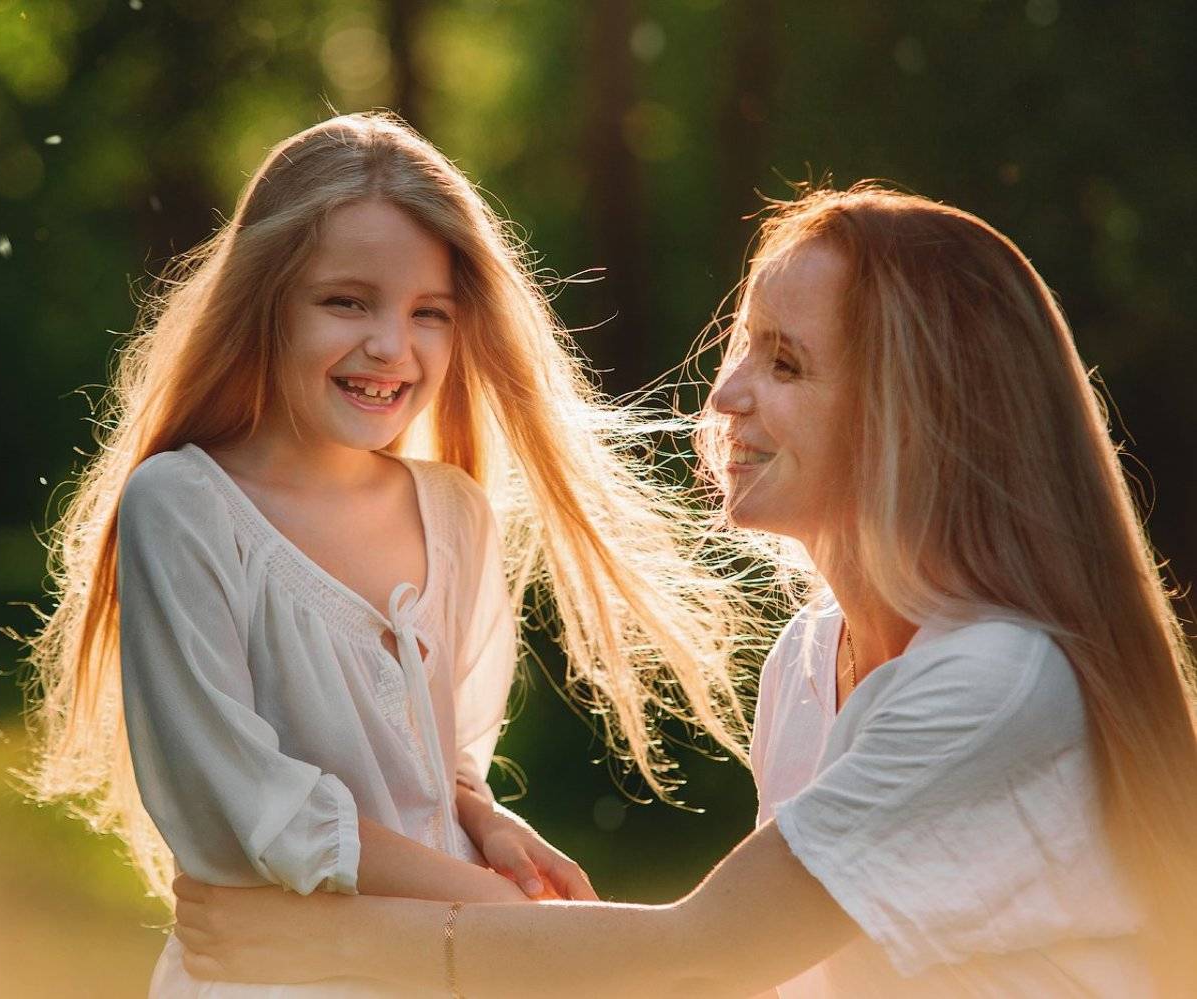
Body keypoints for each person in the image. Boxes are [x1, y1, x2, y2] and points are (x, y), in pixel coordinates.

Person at [168, 185, 1197, 997]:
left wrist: (334, 941)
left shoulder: (996, 680)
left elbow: (708, 956)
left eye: (786, 362)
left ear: (915, 417)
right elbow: (766, 976)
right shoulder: (811, 658)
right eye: (743, 346)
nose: (727, 393)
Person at [17, 112, 751, 997]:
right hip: (273, 976)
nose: (390, 347)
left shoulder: (455, 513)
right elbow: (247, 812)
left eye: (428, 313)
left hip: (442, 968)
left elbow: (432, 770)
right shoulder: (184, 506)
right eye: (347, 301)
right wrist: (501, 916)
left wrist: (486, 824)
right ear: (265, 302)